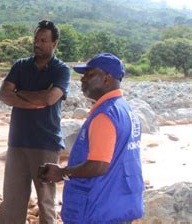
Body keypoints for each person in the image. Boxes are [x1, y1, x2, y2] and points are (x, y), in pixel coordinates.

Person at [42, 53, 144, 223]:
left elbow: (98, 165)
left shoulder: (105, 115)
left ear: (107, 78)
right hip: (121, 203)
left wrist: (61, 173)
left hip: (99, 208)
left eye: (90, 75)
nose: (83, 80)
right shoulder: (126, 110)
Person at [0, 20, 71, 224]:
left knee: (46, 200)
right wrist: (32, 102)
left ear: (54, 43)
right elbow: (3, 94)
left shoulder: (61, 70)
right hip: (17, 142)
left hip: (46, 143)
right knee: (12, 200)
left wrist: (19, 93)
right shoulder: (21, 66)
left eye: (43, 40)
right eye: (36, 39)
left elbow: (49, 99)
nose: (37, 44)